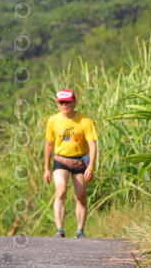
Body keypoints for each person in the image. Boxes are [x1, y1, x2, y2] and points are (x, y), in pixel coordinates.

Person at [43, 89, 98, 239]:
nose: (65, 105)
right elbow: (49, 144)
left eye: (67, 102)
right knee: (60, 191)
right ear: (57, 103)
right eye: (61, 102)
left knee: (80, 196)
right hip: (61, 160)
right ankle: (60, 229)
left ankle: (80, 230)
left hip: (80, 161)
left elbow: (92, 144)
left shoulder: (85, 120)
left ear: (74, 102)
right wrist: (46, 169)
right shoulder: (53, 120)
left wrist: (91, 166)